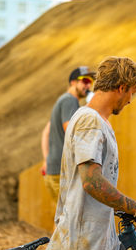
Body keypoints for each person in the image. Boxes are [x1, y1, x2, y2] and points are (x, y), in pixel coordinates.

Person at [46, 57, 136, 250]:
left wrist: (121, 207)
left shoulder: (95, 119)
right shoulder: (90, 121)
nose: (130, 100)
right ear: (122, 88)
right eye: (132, 92)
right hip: (82, 245)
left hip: (96, 240)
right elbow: (91, 182)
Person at [41, 66, 96, 201]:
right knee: (69, 218)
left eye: (90, 82)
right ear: (73, 82)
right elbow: (72, 131)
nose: (88, 85)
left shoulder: (63, 100)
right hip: (62, 172)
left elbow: (46, 131)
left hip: (54, 170)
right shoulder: (69, 100)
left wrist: (46, 159)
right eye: (84, 81)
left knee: (63, 218)